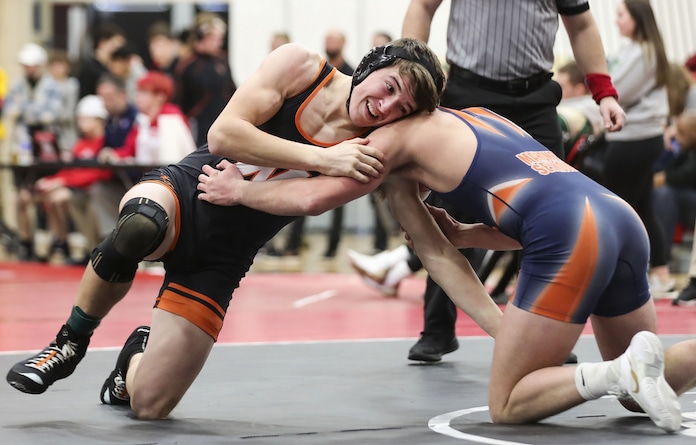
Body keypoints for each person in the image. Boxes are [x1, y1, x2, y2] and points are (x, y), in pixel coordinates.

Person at [5, 38, 445, 420]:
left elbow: (309, 201)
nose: (384, 107)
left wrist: (241, 193)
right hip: (185, 194)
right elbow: (224, 134)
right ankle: (68, 344)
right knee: (139, 226)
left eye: (399, 108)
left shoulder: (371, 152)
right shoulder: (301, 66)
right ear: (371, 66)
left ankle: (134, 359)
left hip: (223, 256)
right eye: (388, 88)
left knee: (150, 405)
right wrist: (322, 158)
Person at [196, 105, 691, 434]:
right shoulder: (482, 116)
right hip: (617, 216)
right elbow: (535, 206)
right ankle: (628, 371)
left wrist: (240, 192)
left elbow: (314, 197)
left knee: (510, 404)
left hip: (570, 231)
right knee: (642, 394)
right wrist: (467, 233)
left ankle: (616, 370)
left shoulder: (386, 141)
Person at [354, 0, 626, 363]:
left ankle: (543, 335)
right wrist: (410, 77)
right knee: (447, 211)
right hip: (468, 90)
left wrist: (603, 91)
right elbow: (422, 6)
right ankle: (438, 330)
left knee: (553, 212)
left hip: (535, 99)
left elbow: (582, 25)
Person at [599, 0, 672, 296]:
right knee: (641, 206)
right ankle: (662, 274)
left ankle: (614, 274)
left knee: (616, 209)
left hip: (635, 138)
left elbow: (616, 91)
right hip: (636, 137)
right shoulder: (629, 49)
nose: (616, 21)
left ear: (637, 18)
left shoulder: (644, 52)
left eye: (621, 15)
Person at [32, 95, 111, 263]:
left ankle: (89, 246)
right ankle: (62, 242)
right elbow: (70, 170)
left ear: (99, 120)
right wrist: (52, 180)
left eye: (85, 118)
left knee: (63, 198)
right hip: (77, 188)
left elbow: (95, 173)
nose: (81, 122)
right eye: (80, 118)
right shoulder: (81, 144)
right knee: (50, 195)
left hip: (93, 189)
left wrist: (62, 181)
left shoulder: (104, 142)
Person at [174, 12, 236, 146]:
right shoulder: (187, 65)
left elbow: (232, 91)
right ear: (201, 37)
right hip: (198, 127)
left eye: (220, 38)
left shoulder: (222, 60)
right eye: (215, 38)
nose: (219, 43)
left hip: (222, 124)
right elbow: (179, 100)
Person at [76, 22, 126, 99]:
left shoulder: (110, 69)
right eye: (116, 47)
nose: (119, 53)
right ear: (103, 43)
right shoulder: (89, 70)